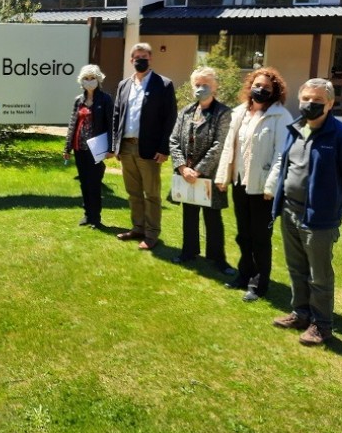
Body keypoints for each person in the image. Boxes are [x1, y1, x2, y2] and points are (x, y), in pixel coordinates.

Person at [271, 78, 342, 346]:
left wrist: (333, 207)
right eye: (306, 99)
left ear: (330, 104)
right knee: (296, 266)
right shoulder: (295, 130)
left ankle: (322, 325)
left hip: (319, 219)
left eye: (317, 101)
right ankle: (300, 313)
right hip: (290, 210)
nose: (310, 105)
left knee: (319, 274)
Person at [215, 67, 292, 302]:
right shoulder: (240, 113)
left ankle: (259, 284)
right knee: (244, 234)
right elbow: (230, 146)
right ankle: (244, 274)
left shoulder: (281, 117)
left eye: (267, 88)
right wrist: (222, 176)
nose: (261, 90)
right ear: (250, 87)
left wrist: (271, 186)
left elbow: (282, 154)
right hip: (241, 182)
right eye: (257, 85)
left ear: (275, 91)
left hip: (263, 188)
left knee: (260, 237)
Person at [168, 67, 234, 274]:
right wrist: (182, 168)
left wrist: (197, 170)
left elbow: (219, 144)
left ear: (215, 87)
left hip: (210, 176)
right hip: (186, 174)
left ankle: (218, 259)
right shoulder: (186, 111)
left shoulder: (223, 113)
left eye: (205, 85)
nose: (201, 88)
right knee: (189, 215)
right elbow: (173, 140)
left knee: (213, 218)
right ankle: (189, 251)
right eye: (197, 84)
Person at [112, 42, 177, 250]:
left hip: (149, 149)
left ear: (150, 59)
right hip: (126, 147)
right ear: (131, 60)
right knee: (133, 193)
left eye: (144, 57)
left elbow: (170, 119)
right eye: (137, 57)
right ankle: (138, 228)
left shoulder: (164, 84)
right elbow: (116, 116)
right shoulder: (124, 85)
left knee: (152, 194)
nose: (140, 60)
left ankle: (151, 234)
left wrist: (164, 148)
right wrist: (116, 145)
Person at [63, 64, 114, 228]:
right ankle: (87, 215)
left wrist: (111, 148)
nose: (89, 81)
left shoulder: (105, 99)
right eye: (86, 78)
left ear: (98, 80)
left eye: (92, 78)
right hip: (80, 148)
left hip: (96, 149)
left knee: (94, 183)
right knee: (84, 182)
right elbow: (72, 124)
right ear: (81, 81)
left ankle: (96, 218)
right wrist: (67, 148)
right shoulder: (79, 101)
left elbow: (111, 124)